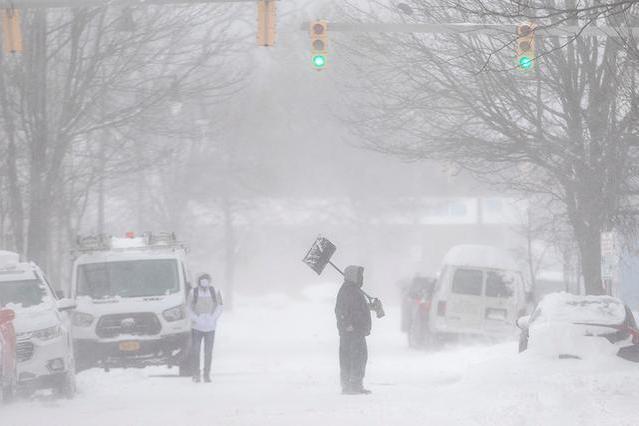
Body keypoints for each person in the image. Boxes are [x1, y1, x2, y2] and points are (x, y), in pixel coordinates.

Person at [335, 265, 372, 395]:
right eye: (360, 276)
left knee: (359, 357)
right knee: (354, 357)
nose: (362, 278)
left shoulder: (354, 290)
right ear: (353, 276)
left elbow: (357, 308)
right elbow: (341, 310)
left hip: (357, 330)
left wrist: (370, 306)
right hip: (352, 332)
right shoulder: (348, 291)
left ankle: (354, 385)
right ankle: (351, 385)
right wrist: (347, 324)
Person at [187, 273, 223, 383]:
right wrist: (197, 319)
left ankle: (206, 374)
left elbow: (220, 306)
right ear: (199, 282)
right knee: (196, 351)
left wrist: (213, 318)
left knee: (208, 352)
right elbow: (188, 308)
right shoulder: (193, 292)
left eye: (206, 280)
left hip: (210, 328)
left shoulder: (215, 291)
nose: (204, 283)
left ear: (209, 281)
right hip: (196, 327)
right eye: (202, 281)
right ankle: (196, 374)